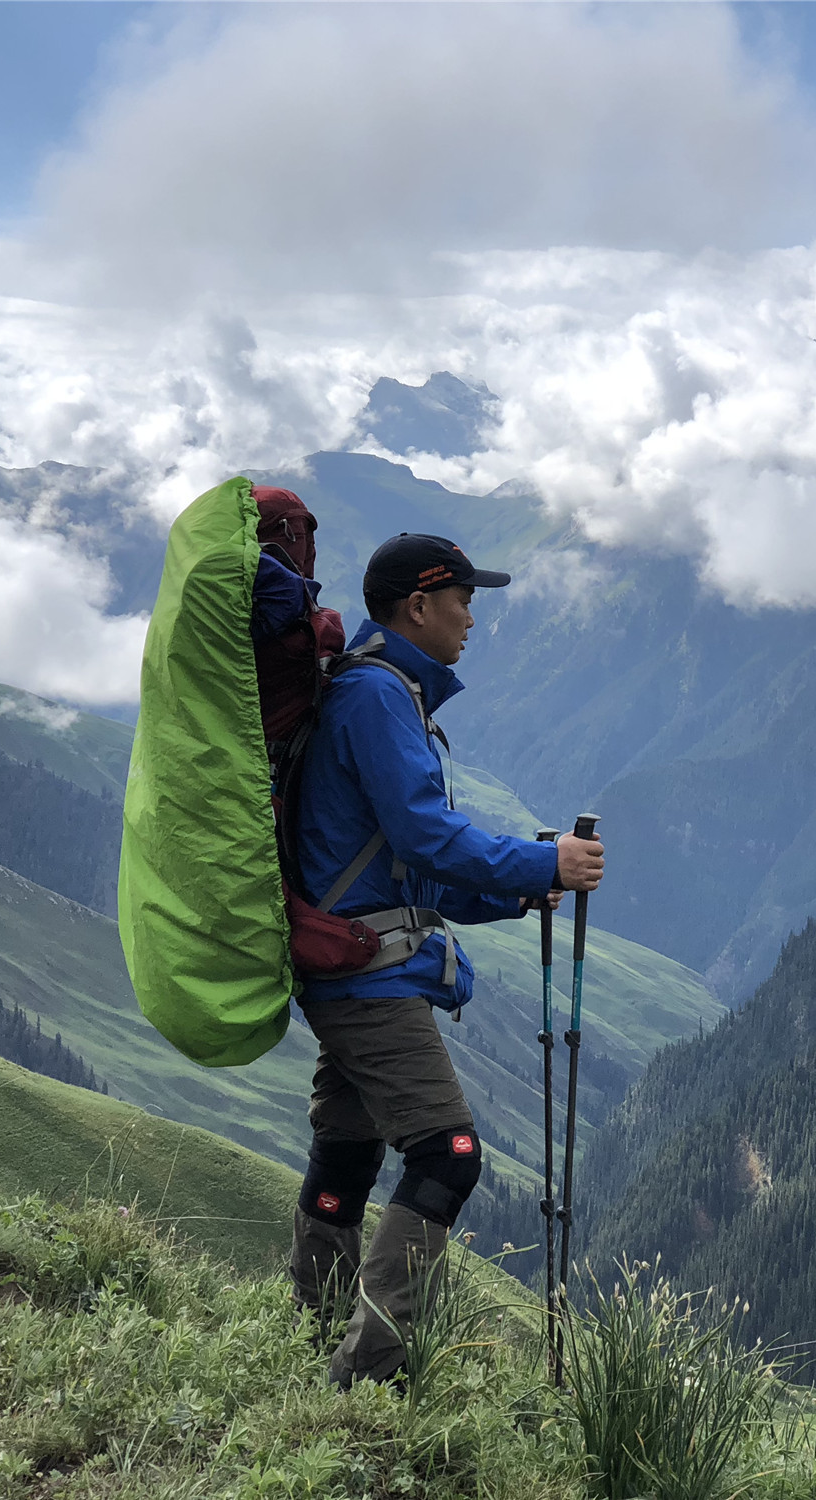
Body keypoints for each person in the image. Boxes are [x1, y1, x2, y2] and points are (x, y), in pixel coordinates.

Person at [286, 530, 604, 1387]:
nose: (472, 617)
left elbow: (406, 865)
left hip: (354, 961)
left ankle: (310, 1335)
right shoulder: (380, 699)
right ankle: (367, 1375)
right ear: (418, 606)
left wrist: (520, 892)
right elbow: (428, 835)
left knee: (349, 1148)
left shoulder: (374, 692)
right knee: (447, 1153)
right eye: (463, 599)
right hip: (370, 978)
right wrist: (546, 865)